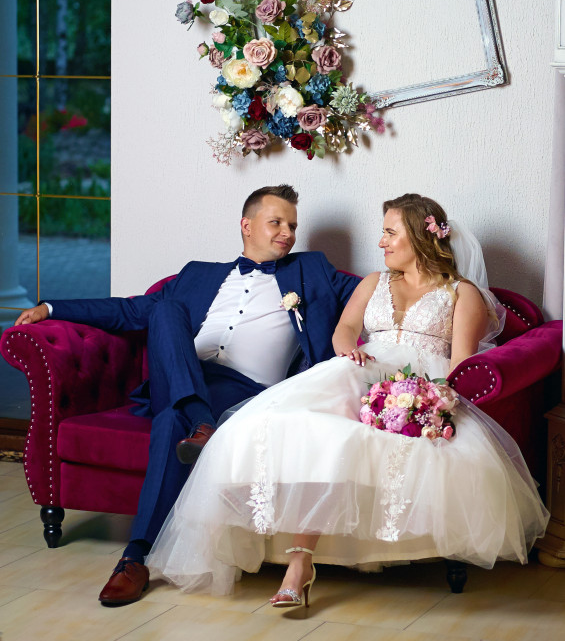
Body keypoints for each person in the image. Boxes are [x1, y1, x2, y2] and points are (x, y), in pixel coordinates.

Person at [145, 193, 549, 606]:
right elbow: (346, 329)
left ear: (418, 236)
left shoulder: (461, 293)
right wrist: (347, 351)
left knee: (346, 439)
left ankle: (299, 566)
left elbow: (461, 364)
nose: (381, 242)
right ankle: (297, 561)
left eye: (390, 233)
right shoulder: (374, 282)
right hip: (361, 369)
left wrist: (424, 401)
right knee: (290, 421)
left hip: (421, 383)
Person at [14, 184, 359, 606]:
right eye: (276, 222)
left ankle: (134, 557)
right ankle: (202, 420)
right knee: (163, 309)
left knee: (169, 421)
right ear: (246, 225)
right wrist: (51, 309)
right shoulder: (198, 274)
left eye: (292, 225)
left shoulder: (312, 270)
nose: (287, 233)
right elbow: (130, 310)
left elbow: (377, 292)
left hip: (245, 391)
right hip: (183, 374)